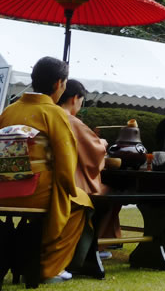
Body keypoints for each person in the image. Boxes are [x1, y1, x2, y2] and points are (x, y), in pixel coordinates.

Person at [0, 56, 91, 283]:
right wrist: (71, 189)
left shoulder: (8, 111)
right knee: (81, 204)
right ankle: (47, 268)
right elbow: (65, 163)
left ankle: (19, 257)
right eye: (64, 83)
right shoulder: (54, 113)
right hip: (34, 194)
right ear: (58, 84)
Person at [57, 79, 120, 242]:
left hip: (50, 180)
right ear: (74, 98)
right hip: (70, 184)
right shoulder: (70, 120)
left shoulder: (49, 115)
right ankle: (97, 243)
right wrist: (103, 143)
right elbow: (95, 151)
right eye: (81, 101)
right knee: (111, 194)